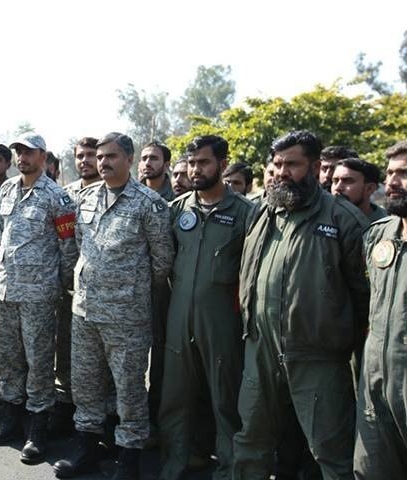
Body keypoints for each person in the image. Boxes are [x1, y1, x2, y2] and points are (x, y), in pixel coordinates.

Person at [232, 130, 370, 479]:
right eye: (277, 164)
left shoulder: (343, 219)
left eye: (292, 164)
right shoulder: (262, 213)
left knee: (330, 450)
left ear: (314, 167)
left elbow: (365, 295)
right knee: (250, 441)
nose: (281, 172)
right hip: (260, 350)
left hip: (318, 357)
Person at [53, 132, 173, 480]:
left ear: (129, 159)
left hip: (127, 316)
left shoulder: (149, 204)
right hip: (85, 310)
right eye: (100, 156)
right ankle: (87, 450)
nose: (102, 162)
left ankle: (128, 458)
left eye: (111, 156)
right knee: (86, 384)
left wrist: (126, 291)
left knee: (129, 389)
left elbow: (162, 261)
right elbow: (78, 246)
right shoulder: (86, 198)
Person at [157, 135, 255, 480]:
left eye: (205, 163)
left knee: (225, 400)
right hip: (179, 317)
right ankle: (175, 464)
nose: (197, 170)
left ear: (223, 165)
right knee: (175, 397)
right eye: (193, 163)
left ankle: (229, 470)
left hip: (222, 321)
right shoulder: (178, 209)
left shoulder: (247, 213)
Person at [0, 133, 78, 466]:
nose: (22, 157)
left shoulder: (57, 196)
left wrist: (58, 287)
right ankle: (9, 421)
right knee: (6, 358)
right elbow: (0, 230)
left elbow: (68, 248)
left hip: (38, 294)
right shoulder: (6, 190)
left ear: (43, 156)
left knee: (38, 363)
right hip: (5, 289)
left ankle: (37, 431)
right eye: (18, 152)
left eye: (29, 152)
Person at [354, 140, 407, 478]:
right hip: (374, 380)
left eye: (404, 173)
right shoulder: (378, 235)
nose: (394, 181)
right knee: (371, 469)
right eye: (390, 173)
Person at [52, 136, 101, 434]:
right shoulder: (65, 195)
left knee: (98, 363)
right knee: (65, 350)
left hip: (99, 293)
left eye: (91, 155)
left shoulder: (112, 193)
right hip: (66, 287)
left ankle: (101, 418)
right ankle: (67, 406)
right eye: (80, 156)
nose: (85, 161)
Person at [331, 158, 387, 222]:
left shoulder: (386, 225)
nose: (338, 188)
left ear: (369, 188)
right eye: (335, 181)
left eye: (348, 181)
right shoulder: (322, 215)